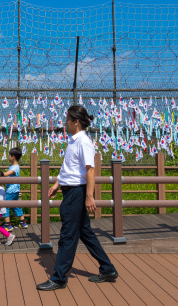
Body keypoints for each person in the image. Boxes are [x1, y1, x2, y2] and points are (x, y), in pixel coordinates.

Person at [36, 106, 118, 291]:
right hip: (69, 190)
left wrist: (89, 196)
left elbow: (90, 170)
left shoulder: (84, 142)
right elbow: (70, 168)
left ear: (76, 122)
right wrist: (58, 183)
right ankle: (108, 269)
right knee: (85, 233)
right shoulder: (73, 141)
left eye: (67, 119)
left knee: (67, 236)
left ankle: (58, 277)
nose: (65, 123)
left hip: (76, 193)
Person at [1, 147, 28, 231]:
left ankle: (8, 225)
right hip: (14, 189)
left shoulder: (15, 167)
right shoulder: (13, 166)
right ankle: (23, 222)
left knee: (5, 205)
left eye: (9, 155)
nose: (8, 157)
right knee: (15, 205)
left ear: (13, 157)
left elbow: (6, 174)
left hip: (11, 190)